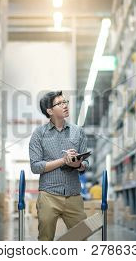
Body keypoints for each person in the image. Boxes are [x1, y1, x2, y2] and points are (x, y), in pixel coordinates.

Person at [29, 91, 89, 241]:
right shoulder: (39, 134)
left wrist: (78, 164)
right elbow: (35, 167)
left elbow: (86, 164)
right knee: (45, 239)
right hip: (48, 195)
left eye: (65, 102)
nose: (65, 105)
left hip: (73, 195)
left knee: (81, 238)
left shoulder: (78, 131)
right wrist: (63, 160)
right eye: (60, 103)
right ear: (49, 111)